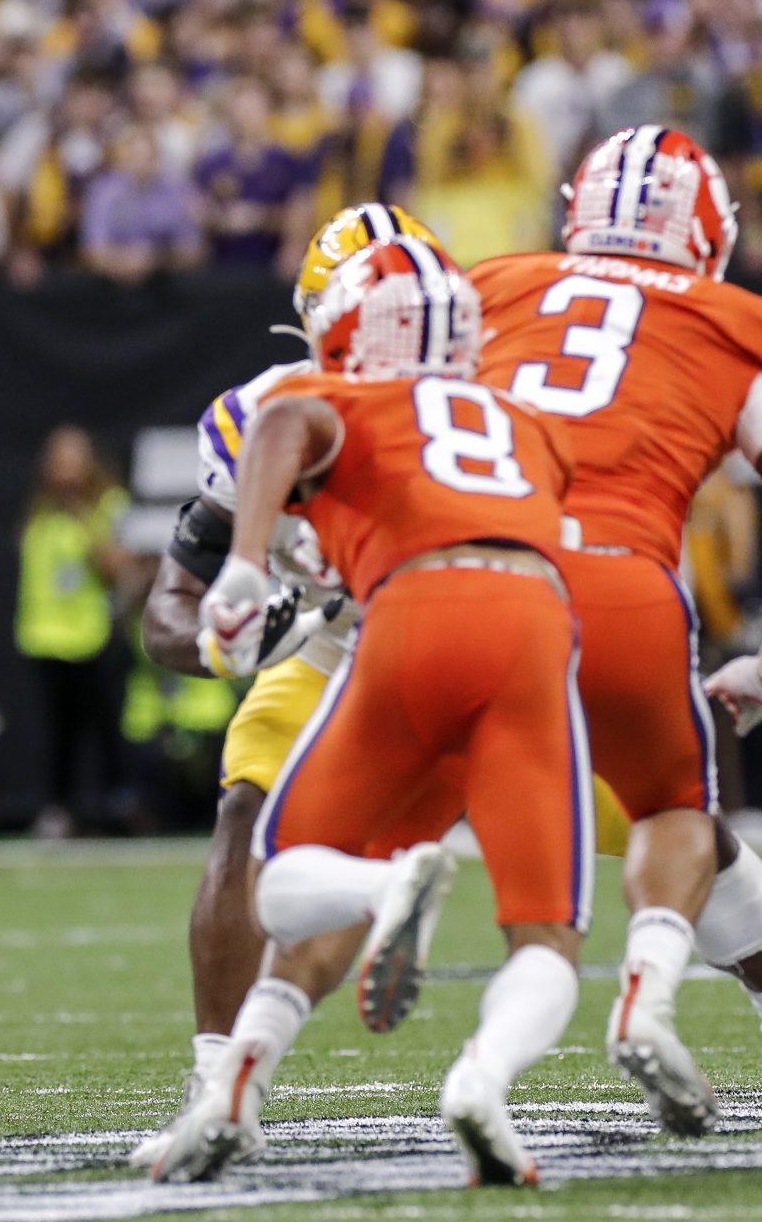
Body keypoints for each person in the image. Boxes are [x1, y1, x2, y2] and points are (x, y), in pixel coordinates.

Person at [157, 235, 590, 1187]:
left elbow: (284, 428)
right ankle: (485, 1072)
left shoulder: (305, 401)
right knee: (581, 899)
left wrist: (242, 570)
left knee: (288, 869)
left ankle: (373, 903)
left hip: (402, 623)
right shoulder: (517, 407)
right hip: (520, 626)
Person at [133, 203, 479, 1168]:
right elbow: (172, 603)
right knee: (247, 810)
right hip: (339, 642)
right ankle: (219, 1083)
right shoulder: (265, 414)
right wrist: (220, 646)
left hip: (466, 631)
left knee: (665, 820)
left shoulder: (494, 394)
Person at [473, 125, 762, 1134]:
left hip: (460, 584)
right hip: (619, 587)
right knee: (674, 807)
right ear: (708, 235)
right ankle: (647, 986)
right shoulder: (734, 319)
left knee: (342, 807)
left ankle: (239, 1063)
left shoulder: (494, 282)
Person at [15, 425, 129, 837]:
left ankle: (115, 809)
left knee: (104, 728)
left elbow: (118, 568)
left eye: (73, 458)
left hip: (91, 635)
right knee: (56, 732)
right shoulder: (39, 509)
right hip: (44, 637)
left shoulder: (108, 505)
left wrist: (83, 517)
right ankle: (59, 811)